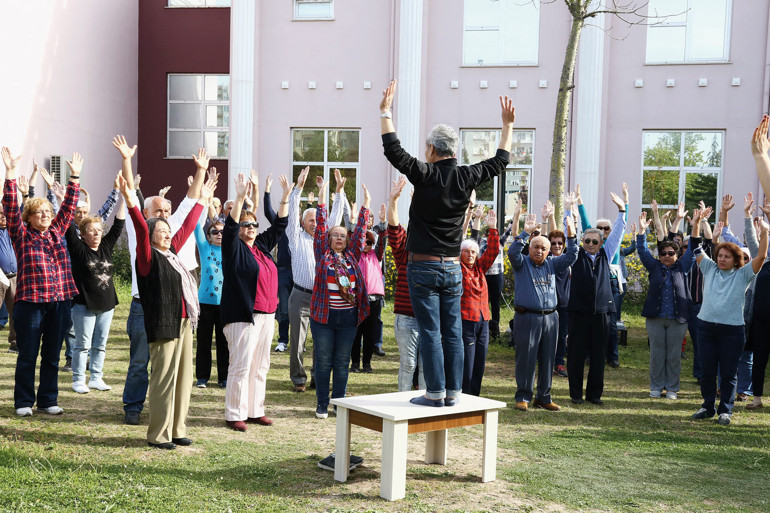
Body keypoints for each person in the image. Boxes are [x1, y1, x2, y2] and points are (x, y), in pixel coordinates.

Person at [380, 79, 515, 407]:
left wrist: (386, 111)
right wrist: (508, 126)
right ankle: (454, 393)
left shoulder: (423, 173)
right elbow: (500, 161)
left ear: (430, 149)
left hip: (423, 267)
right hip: (453, 269)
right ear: (454, 151)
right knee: (452, 331)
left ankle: (435, 392)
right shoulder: (466, 176)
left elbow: (393, 151)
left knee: (430, 331)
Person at [113, 136, 210, 425]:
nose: (165, 216)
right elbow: (130, 192)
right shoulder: (139, 231)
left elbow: (190, 209)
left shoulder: (171, 239)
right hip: (143, 307)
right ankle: (133, 406)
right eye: (159, 212)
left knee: (170, 367)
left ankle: (167, 415)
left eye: (167, 212)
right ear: (146, 215)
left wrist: (202, 172)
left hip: (171, 311)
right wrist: (127, 160)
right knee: (140, 363)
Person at [2, 147, 81, 417]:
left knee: (52, 356)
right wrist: (10, 173)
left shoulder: (58, 231)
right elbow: (11, 208)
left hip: (59, 302)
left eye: (48, 211)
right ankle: (24, 402)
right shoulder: (22, 235)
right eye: (40, 212)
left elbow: (69, 208)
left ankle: (48, 400)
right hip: (31, 304)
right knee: (27, 355)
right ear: (30, 218)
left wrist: (74, 179)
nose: (46, 214)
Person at [221, 172, 290, 432]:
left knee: (261, 364)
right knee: (241, 364)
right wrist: (240, 198)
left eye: (253, 225)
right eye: (245, 225)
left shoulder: (260, 246)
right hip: (243, 315)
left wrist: (284, 198)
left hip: (266, 314)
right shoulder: (233, 248)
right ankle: (234, 413)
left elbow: (280, 226)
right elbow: (228, 228)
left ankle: (255, 409)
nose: (250, 229)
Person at [690, 207, 768, 426]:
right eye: (720, 256)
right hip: (706, 328)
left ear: (736, 260)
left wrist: (765, 232)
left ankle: (725, 410)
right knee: (706, 371)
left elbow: (762, 255)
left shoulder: (744, 275)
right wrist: (697, 222)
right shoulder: (709, 268)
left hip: (732, 331)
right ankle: (707, 407)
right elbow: (695, 247)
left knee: (728, 373)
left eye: (727, 257)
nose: (722, 259)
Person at [310, 176, 370, 419]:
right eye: (335, 235)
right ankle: (323, 404)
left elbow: (361, 231)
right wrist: (326, 192)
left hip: (347, 318)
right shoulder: (323, 254)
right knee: (324, 362)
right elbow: (322, 225)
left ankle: (339, 404)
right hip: (324, 317)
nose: (338, 238)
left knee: (342, 362)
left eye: (342, 236)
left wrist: (366, 203)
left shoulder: (353, 256)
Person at [509, 211, 578, 411]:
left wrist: (572, 235)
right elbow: (513, 252)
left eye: (543, 248)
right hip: (527, 317)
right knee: (527, 358)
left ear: (549, 251)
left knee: (548, 358)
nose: (539, 251)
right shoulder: (521, 264)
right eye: (536, 247)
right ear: (529, 248)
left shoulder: (553, 264)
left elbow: (572, 255)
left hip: (551, 317)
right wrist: (524, 233)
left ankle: (544, 397)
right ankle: (523, 396)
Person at [286, 167, 345, 393]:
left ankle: (317, 378)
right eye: (310, 220)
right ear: (303, 223)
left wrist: (338, 192)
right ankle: (298, 379)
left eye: (316, 220)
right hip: (300, 295)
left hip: (322, 296)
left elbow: (334, 217)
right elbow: (292, 214)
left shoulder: (324, 239)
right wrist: (298, 188)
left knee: (321, 342)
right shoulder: (295, 237)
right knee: (298, 341)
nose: (314, 223)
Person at [66, 171, 126, 394]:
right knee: (82, 346)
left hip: (107, 304)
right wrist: (69, 196)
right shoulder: (78, 248)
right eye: (91, 231)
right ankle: (78, 379)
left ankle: (96, 377)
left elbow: (119, 224)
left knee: (100, 345)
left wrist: (123, 194)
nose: (97, 234)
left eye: (99, 230)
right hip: (84, 305)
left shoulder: (106, 247)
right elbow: (68, 226)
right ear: (82, 233)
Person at [567, 189, 626, 405]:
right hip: (578, 312)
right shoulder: (575, 255)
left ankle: (594, 395)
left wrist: (622, 209)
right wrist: (569, 209)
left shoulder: (606, 254)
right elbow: (570, 233)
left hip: (602, 312)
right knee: (575, 355)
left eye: (594, 241)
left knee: (599, 357)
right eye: (587, 241)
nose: (590, 244)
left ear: (601, 243)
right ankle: (575, 394)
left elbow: (618, 233)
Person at [636, 207, 695, 400]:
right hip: (655, 318)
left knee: (674, 355)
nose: (667, 256)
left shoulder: (683, 266)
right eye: (663, 253)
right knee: (657, 354)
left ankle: (671, 388)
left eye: (671, 253)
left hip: (678, 318)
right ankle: (656, 386)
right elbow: (643, 251)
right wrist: (642, 233)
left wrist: (696, 226)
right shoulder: (653, 266)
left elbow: (693, 249)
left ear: (677, 255)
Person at [576, 183, 629, 368]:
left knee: (610, 324)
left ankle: (612, 355)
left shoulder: (609, 248)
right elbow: (584, 224)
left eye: (606, 229)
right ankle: (589, 354)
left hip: (611, 285)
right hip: (590, 288)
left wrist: (624, 205)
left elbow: (620, 228)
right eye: (601, 228)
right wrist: (579, 202)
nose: (604, 231)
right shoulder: (590, 244)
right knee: (587, 324)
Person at [387, 176, 425, 391]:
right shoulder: (404, 252)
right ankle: (403, 401)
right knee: (409, 363)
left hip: (429, 316)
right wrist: (393, 201)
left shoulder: (433, 252)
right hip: (407, 317)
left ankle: (427, 405)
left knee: (426, 365)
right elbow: (393, 226)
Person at [459, 209, 500, 396]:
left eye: (473, 252)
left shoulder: (480, 267)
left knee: (480, 360)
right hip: (466, 319)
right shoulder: (456, 268)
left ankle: (475, 395)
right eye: (466, 251)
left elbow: (493, 251)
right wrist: (470, 218)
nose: (470, 254)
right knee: (467, 360)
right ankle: (464, 394)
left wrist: (493, 229)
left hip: (483, 319)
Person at [193, 180, 228, 389]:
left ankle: (223, 377)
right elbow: (197, 225)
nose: (219, 235)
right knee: (204, 342)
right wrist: (204, 199)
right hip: (205, 302)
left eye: (222, 232)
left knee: (224, 343)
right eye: (215, 232)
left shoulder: (231, 250)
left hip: (224, 303)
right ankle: (202, 377)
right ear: (209, 235)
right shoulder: (205, 248)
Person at [350, 204, 386, 374]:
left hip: (374, 298)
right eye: (364, 241)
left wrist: (384, 222)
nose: (367, 244)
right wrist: (358, 221)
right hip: (357, 298)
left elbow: (383, 243)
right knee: (356, 333)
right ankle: (355, 364)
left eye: (370, 242)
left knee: (370, 334)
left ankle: (367, 363)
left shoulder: (376, 255)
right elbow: (355, 236)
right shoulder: (354, 255)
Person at [262, 173, 293, 354]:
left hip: (299, 273)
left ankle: (299, 340)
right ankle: (283, 340)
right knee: (284, 309)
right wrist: (267, 190)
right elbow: (268, 211)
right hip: (282, 271)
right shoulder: (282, 225)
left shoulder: (303, 229)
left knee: (299, 310)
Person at [0, 202, 18, 354]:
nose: (3, 216)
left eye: (4, 213)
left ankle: (15, 343)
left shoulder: (12, 231)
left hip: (14, 277)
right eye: (0, 213)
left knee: (15, 311)